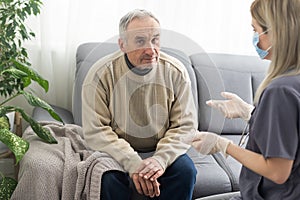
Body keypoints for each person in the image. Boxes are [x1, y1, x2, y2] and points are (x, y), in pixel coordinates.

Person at [82, 9, 197, 200]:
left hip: (162, 149)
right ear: (122, 45)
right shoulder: (99, 75)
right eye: (140, 41)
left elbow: (185, 126)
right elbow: (96, 131)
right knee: (107, 178)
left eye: (155, 40)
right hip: (117, 152)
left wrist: (160, 160)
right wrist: (133, 163)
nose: (151, 50)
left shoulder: (176, 72)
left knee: (186, 172)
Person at [191, 0, 300, 199]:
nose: (254, 38)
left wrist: (223, 145)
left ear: (277, 33)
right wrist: (250, 112)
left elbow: (278, 171)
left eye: (255, 30)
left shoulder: (280, 90)